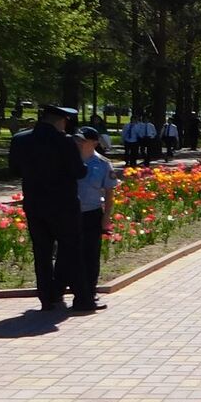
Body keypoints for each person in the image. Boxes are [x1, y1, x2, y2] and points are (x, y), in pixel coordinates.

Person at [8, 104, 86, 311]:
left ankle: (46, 296)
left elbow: (14, 169)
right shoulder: (65, 142)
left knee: (41, 251)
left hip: (34, 202)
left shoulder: (20, 139)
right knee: (69, 248)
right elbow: (79, 172)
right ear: (62, 120)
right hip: (64, 203)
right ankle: (68, 293)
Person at [73, 128, 117, 313]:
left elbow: (109, 192)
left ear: (95, 143)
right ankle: (76, 293)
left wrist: (106, 217)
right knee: (71, 255)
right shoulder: (67, 160)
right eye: (77, 139)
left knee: (90, 256)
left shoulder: (103, 164)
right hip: (69, 214)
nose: (79, 143)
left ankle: (89, 293)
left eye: (83, 140)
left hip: (91, 214)